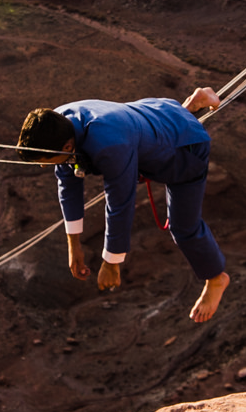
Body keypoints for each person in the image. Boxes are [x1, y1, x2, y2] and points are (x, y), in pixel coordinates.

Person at [15, 88, 230, 322]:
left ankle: (216, 278)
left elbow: (120, 202)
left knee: (183, 228)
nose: (42, 167)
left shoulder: (110, 145)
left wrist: (111, 262)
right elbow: (68, 185)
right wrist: (73, 245)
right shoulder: (58, 121)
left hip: (187, 152)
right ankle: (193, 104)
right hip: (158, 109)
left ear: (67, 147)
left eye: (43, 161)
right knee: (150, 133)